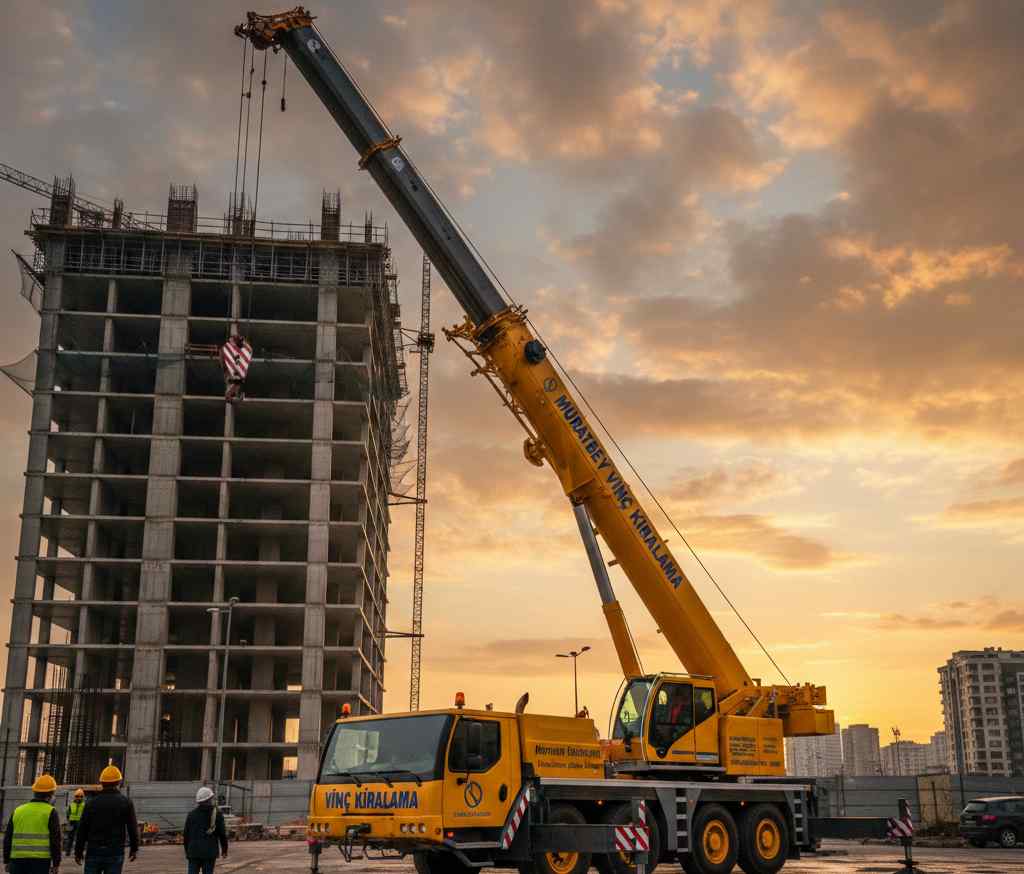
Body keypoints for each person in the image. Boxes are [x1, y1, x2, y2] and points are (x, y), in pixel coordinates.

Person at [73, 766, 138, 874]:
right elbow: (132, 828)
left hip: (94, 851)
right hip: (115, 851)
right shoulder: (126, 802)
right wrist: (134, 848)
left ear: (101, 783)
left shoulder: (91, 803)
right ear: (118, 782)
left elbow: (82, 829)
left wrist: (78, 852)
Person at [3, 773, 62, 874]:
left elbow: (8, 838)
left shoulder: (18, 810)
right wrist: (56, 864)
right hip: (40, 863)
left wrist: (6, 860)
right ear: (50, 796)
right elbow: (55, 840)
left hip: (16, 861)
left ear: (35, 792)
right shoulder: (51, 812)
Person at [182, 787, 228, 874]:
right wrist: (224, 850)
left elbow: (186, 835)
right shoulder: (217, 814)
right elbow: (222, 834)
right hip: (209, 853)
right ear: (209, 799)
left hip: (193, 852)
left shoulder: (191, 815)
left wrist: (187, 852)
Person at [63, 790, 84, 857]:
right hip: (72, 822)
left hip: (80, 823)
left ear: (82, 797)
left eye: (81, 796)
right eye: (77, 796)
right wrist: (68, 822)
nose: (79, 798)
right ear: (75, 797)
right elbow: (68, 814)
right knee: (70, 838)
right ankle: (68, 852)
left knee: (79, 838)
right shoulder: (71, 805)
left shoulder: (84, 805)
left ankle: (78, 853)